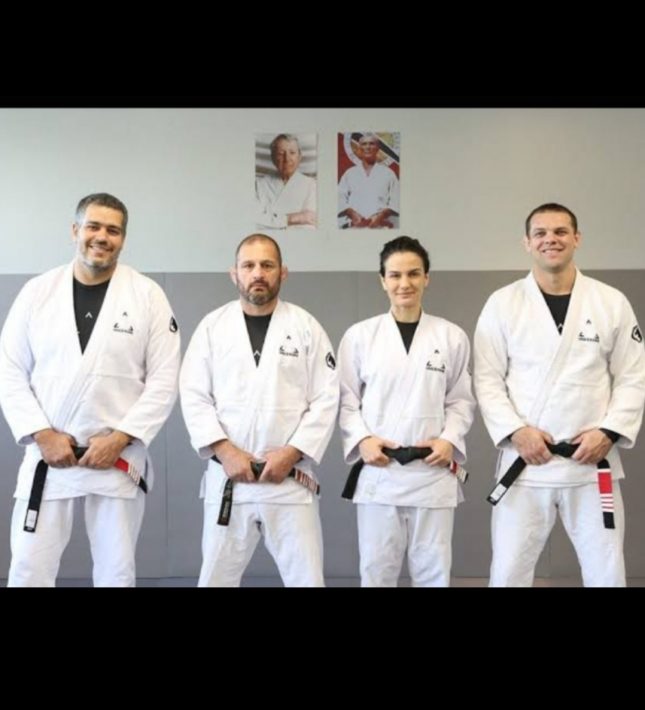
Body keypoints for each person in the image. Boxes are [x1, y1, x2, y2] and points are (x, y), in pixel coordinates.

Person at [0, 192, 180, 587]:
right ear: (75, 230)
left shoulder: (147, 295)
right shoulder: (37, 292)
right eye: (93, 226)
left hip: (116, 457)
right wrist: (42, 434)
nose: (102, 237)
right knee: (28, 568)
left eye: (113, 230)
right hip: (50, 456)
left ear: (123, 239)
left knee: (116, 572)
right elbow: (9, 370)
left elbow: (165, 379)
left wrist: (120, 438)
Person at [474, 203, 645, 587]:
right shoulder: (503, 303)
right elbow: (487, 379)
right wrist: (517, 432)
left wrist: (608, 433)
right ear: (527, 242)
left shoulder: (610, 301)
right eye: (541, 233)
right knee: (508, 571)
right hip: (525, 463)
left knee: (607, 570)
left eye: (560, 231)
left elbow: (634, 376)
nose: (550, 239)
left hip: (592, 463)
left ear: (577, 238)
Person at [179, 233, 339, 587]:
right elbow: (194, 395)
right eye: (248, 265)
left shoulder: (305, 327)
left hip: (289, 478)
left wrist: (291, 453)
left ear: (283, 272)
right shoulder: (212, 328)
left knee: (307, 580)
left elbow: (326, 398)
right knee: (215, 580)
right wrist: (226, 451)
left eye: (267, 265)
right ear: (233, 273)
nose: (258, 273)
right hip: (229, 478)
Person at [338, 236, 475, 586]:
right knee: (376, 571)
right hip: (380, 472)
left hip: (432, 471)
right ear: (382, 280)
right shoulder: (360, 336)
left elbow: (461, 400)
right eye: (395, 275)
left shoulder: (451, 336)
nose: (404, 283)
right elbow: (346, 400)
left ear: (427, 278)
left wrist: (449, 440)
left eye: (413, 274)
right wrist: (363, 440)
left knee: (434, 572)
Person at [338, 133, 400, 229]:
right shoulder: (349, 173)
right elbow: (339, 198)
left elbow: (396, 200)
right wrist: (351, 213)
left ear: (378, 148)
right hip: (355, 227)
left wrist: (382, 215)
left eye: (372, 144)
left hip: (380, 227)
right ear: (359, 149)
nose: (368, 147)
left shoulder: (388, 173)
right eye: (364, 144)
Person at [255, 133, 317, 229]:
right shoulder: (259, 185)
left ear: (300, 157)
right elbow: (255, 220)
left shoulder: (311, 185)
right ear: (273, 158)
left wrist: (271, 221)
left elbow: (310, 223)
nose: (287, 159)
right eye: (280, 153)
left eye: (292, 153)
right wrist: (291, 219)